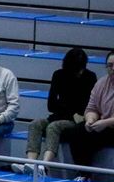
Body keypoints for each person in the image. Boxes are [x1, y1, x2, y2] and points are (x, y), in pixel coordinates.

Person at [11, 47, 95, 175]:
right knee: (35, 124)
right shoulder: (58, 75)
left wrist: (72, 112)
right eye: (77, 69)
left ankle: (45, 166)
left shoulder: (90, 77)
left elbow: (88, 105)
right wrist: (71, 112)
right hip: (61, 115)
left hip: (76, 121)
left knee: (53, 127)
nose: (80, 72)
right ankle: (30, 163)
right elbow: (51, 105)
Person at [61, 50, 114, 180]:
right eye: (109, 65)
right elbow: (91, 107)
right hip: (103, 125)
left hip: (109, 125)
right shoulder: (101, 83)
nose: (113, 68)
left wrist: (105, 123)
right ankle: (84, 173)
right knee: (76, 132)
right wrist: (90, 119)